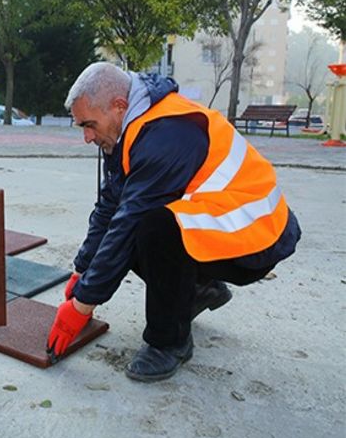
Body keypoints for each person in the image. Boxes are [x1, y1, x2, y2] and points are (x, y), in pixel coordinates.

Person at [46, 62, 301, 382]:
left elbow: (126, 227)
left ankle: (169, 343)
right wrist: (81, 271)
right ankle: (199, 290)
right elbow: (109, 207)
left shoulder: (165, 133)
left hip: (256, 235)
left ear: (119, 106)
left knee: (153, 227)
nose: (86, 137)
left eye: (89, 124)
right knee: (141, 226)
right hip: (224, 224)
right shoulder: (130, 129)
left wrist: (82, 305)